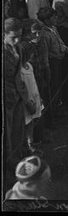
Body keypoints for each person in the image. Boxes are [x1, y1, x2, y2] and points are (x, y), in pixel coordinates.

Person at [3, 18, 30, 167]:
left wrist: (25, 97)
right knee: (6, 136)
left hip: (18, 97)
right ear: (4, 34)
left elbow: (18, 75)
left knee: (17, 131)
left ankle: (17, 160)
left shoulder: (18, 48)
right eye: (14, 37)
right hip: (6, 101)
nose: (18, 40)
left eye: (20, 35)